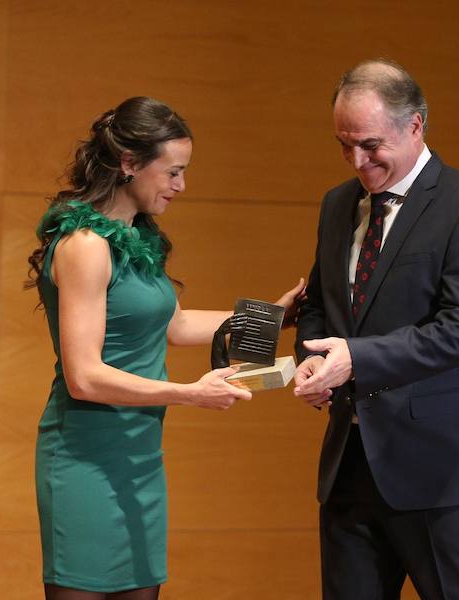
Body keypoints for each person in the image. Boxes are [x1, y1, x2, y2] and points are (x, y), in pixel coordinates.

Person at [25, 96, 304, 600]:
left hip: (140, 455)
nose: (181, 186)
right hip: (87, 458)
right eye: (173, 172)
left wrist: (272, 318)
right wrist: (189, 393)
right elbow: (83, 377)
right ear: (129, 164)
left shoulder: (136, 238)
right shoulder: (87, 245)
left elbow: (174, 324)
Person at [293, 60, 459, 599]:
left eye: (370, 145)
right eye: (344, 145)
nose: (357, 161)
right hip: (350, 467)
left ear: (415, 125)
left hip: (440, 471)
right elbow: (322, 305)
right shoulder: (337, 203)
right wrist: (314, 357)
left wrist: (355, 358)